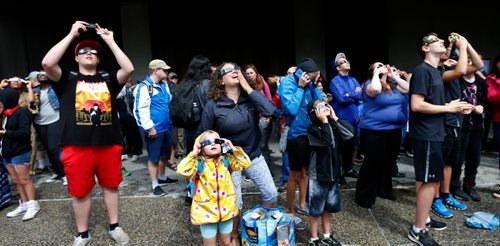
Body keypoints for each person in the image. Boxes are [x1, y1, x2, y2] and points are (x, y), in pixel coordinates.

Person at [41, 21, 134, 245]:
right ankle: (83, 233)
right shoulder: (67, 79)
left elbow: (128, 69)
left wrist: (110, 40)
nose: (89, 53)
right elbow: (47, 62)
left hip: (109, 143)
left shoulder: (108, 79)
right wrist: (72, 34)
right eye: (83, 51)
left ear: (99, 58)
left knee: (111, 186)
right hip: (76, 145)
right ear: (76, 57)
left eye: (93, 51)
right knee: (80, 192)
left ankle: (114, 226)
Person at [199, 62, 277, 244]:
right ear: (220, 80)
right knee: (235, 203)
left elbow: (270, 110)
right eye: (228, 70)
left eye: (237, 69)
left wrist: (247, 87)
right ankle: (235, 233)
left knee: (271, 193)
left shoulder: (250, 98)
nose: (234, 71)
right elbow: (205, 135)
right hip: (228, 161)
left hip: (253, 155)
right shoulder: (213, 105)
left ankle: (260, 228)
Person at [407, 32, 471, 245]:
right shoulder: (422, 71)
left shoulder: (437, 71)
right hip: (425, 134)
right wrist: (448, 107)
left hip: (435, 133)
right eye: (435, 40)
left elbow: (462, 69)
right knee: (428, 181)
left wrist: (457, 109)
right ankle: (417, 230)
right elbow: (416, 105)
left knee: (431, 180)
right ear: (426, 48)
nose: (442, 41)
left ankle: (423, 219)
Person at [176, 130, 251, 246]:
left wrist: (233, 149)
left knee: (226, 242)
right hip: (206, 212)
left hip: (226, 210)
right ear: (200, 147)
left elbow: (245, 164)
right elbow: (182, 170)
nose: (212, 144)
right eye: (207, 142)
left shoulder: (226, 161)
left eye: (216, 141)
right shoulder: (199, 163)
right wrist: (193, 153)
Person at [355, 62, 409, 209]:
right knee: (372, 163)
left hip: (394, 130)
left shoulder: (393, 85)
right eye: (377, 65)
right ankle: (364, 196)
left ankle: (383, 190)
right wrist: (376, 74)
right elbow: (376, 90)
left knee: (388, 162)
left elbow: (408, 88)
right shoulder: (369, 84)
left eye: (383, 64)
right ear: (372, 70)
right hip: (374, 131)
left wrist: (392, 76)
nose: (382, 65)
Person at [279, 58, 323, 230]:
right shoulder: (288, 82)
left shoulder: (310, 81)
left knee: (306, 172)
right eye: (313, 77)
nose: (315, 79)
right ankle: (291, 212)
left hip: (311, 132)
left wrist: (314, 86)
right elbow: (290, 109)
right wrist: (301, 87)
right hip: (296, 134)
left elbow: (319, 102)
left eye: (316, 77)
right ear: (303, 74)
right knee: (295, 174)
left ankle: (303, 205)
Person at [306, 99, 353, 246]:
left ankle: (326, 235)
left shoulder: (333, 124)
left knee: (328, 207)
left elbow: (350, 134)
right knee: (316, 209)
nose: (324, 107)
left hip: (333, 175)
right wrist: (325, 122)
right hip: (319, 175)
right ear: (314, 113)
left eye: (326, 104)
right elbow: (327, 141)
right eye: (319, 106)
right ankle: (313, 238)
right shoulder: (313, 129)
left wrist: (335, 118)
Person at [133, 59, 179, 196]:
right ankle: (154, 184)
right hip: (155, 130)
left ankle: (163, 177)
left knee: (164, 155)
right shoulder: (143, 87)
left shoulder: (164, 85)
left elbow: (169, 103)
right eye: (164, 70)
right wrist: (149, 128)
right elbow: (139, 110)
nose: (167, 72)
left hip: (167, 127)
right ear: (155, 70)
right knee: (153, 158)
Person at [0, 87, 41, 221]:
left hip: (19, 151)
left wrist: (6, 133)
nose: (0, 103)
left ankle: (33, 205)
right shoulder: (5, 114)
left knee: (24, 179)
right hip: (7, 152)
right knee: (17, 181)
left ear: (9, 99)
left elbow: (25, 133)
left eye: (2, 100)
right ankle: (23, 204)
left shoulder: (22, 113)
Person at [329, 52, 361, 181]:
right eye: (342, 62)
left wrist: (350, 95)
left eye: (346, 60)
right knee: (341, 148)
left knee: (351, 146)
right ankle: (339, 173)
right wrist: (354, 94)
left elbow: (361, 95)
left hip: (354, 118)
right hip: (342, 118)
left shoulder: (353, 80)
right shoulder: (335, 81)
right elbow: (342, 98)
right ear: (337, 68)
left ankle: (348, 169)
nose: (346, 62)